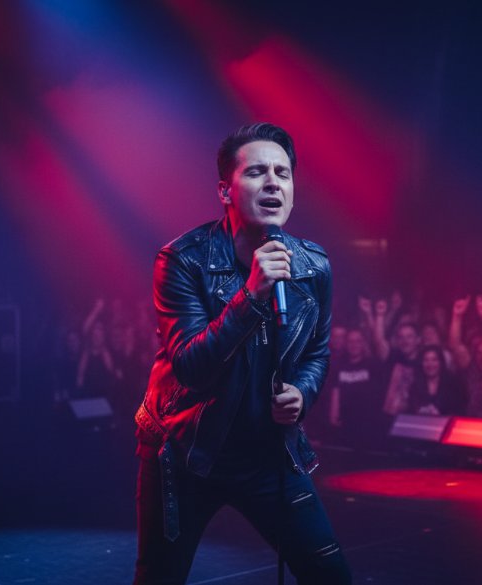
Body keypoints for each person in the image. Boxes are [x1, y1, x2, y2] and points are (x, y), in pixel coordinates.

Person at [132, 123, 351, 584]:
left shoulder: (314, 267)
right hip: (185, 452)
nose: (273, 182)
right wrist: (251, 295)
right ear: (226, 191)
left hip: (266, 454)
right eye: (256, 172)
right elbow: (191, 365)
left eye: (283, 173)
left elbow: (318, 351)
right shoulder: (181, 261)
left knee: (331, 576)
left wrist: (302, 394)